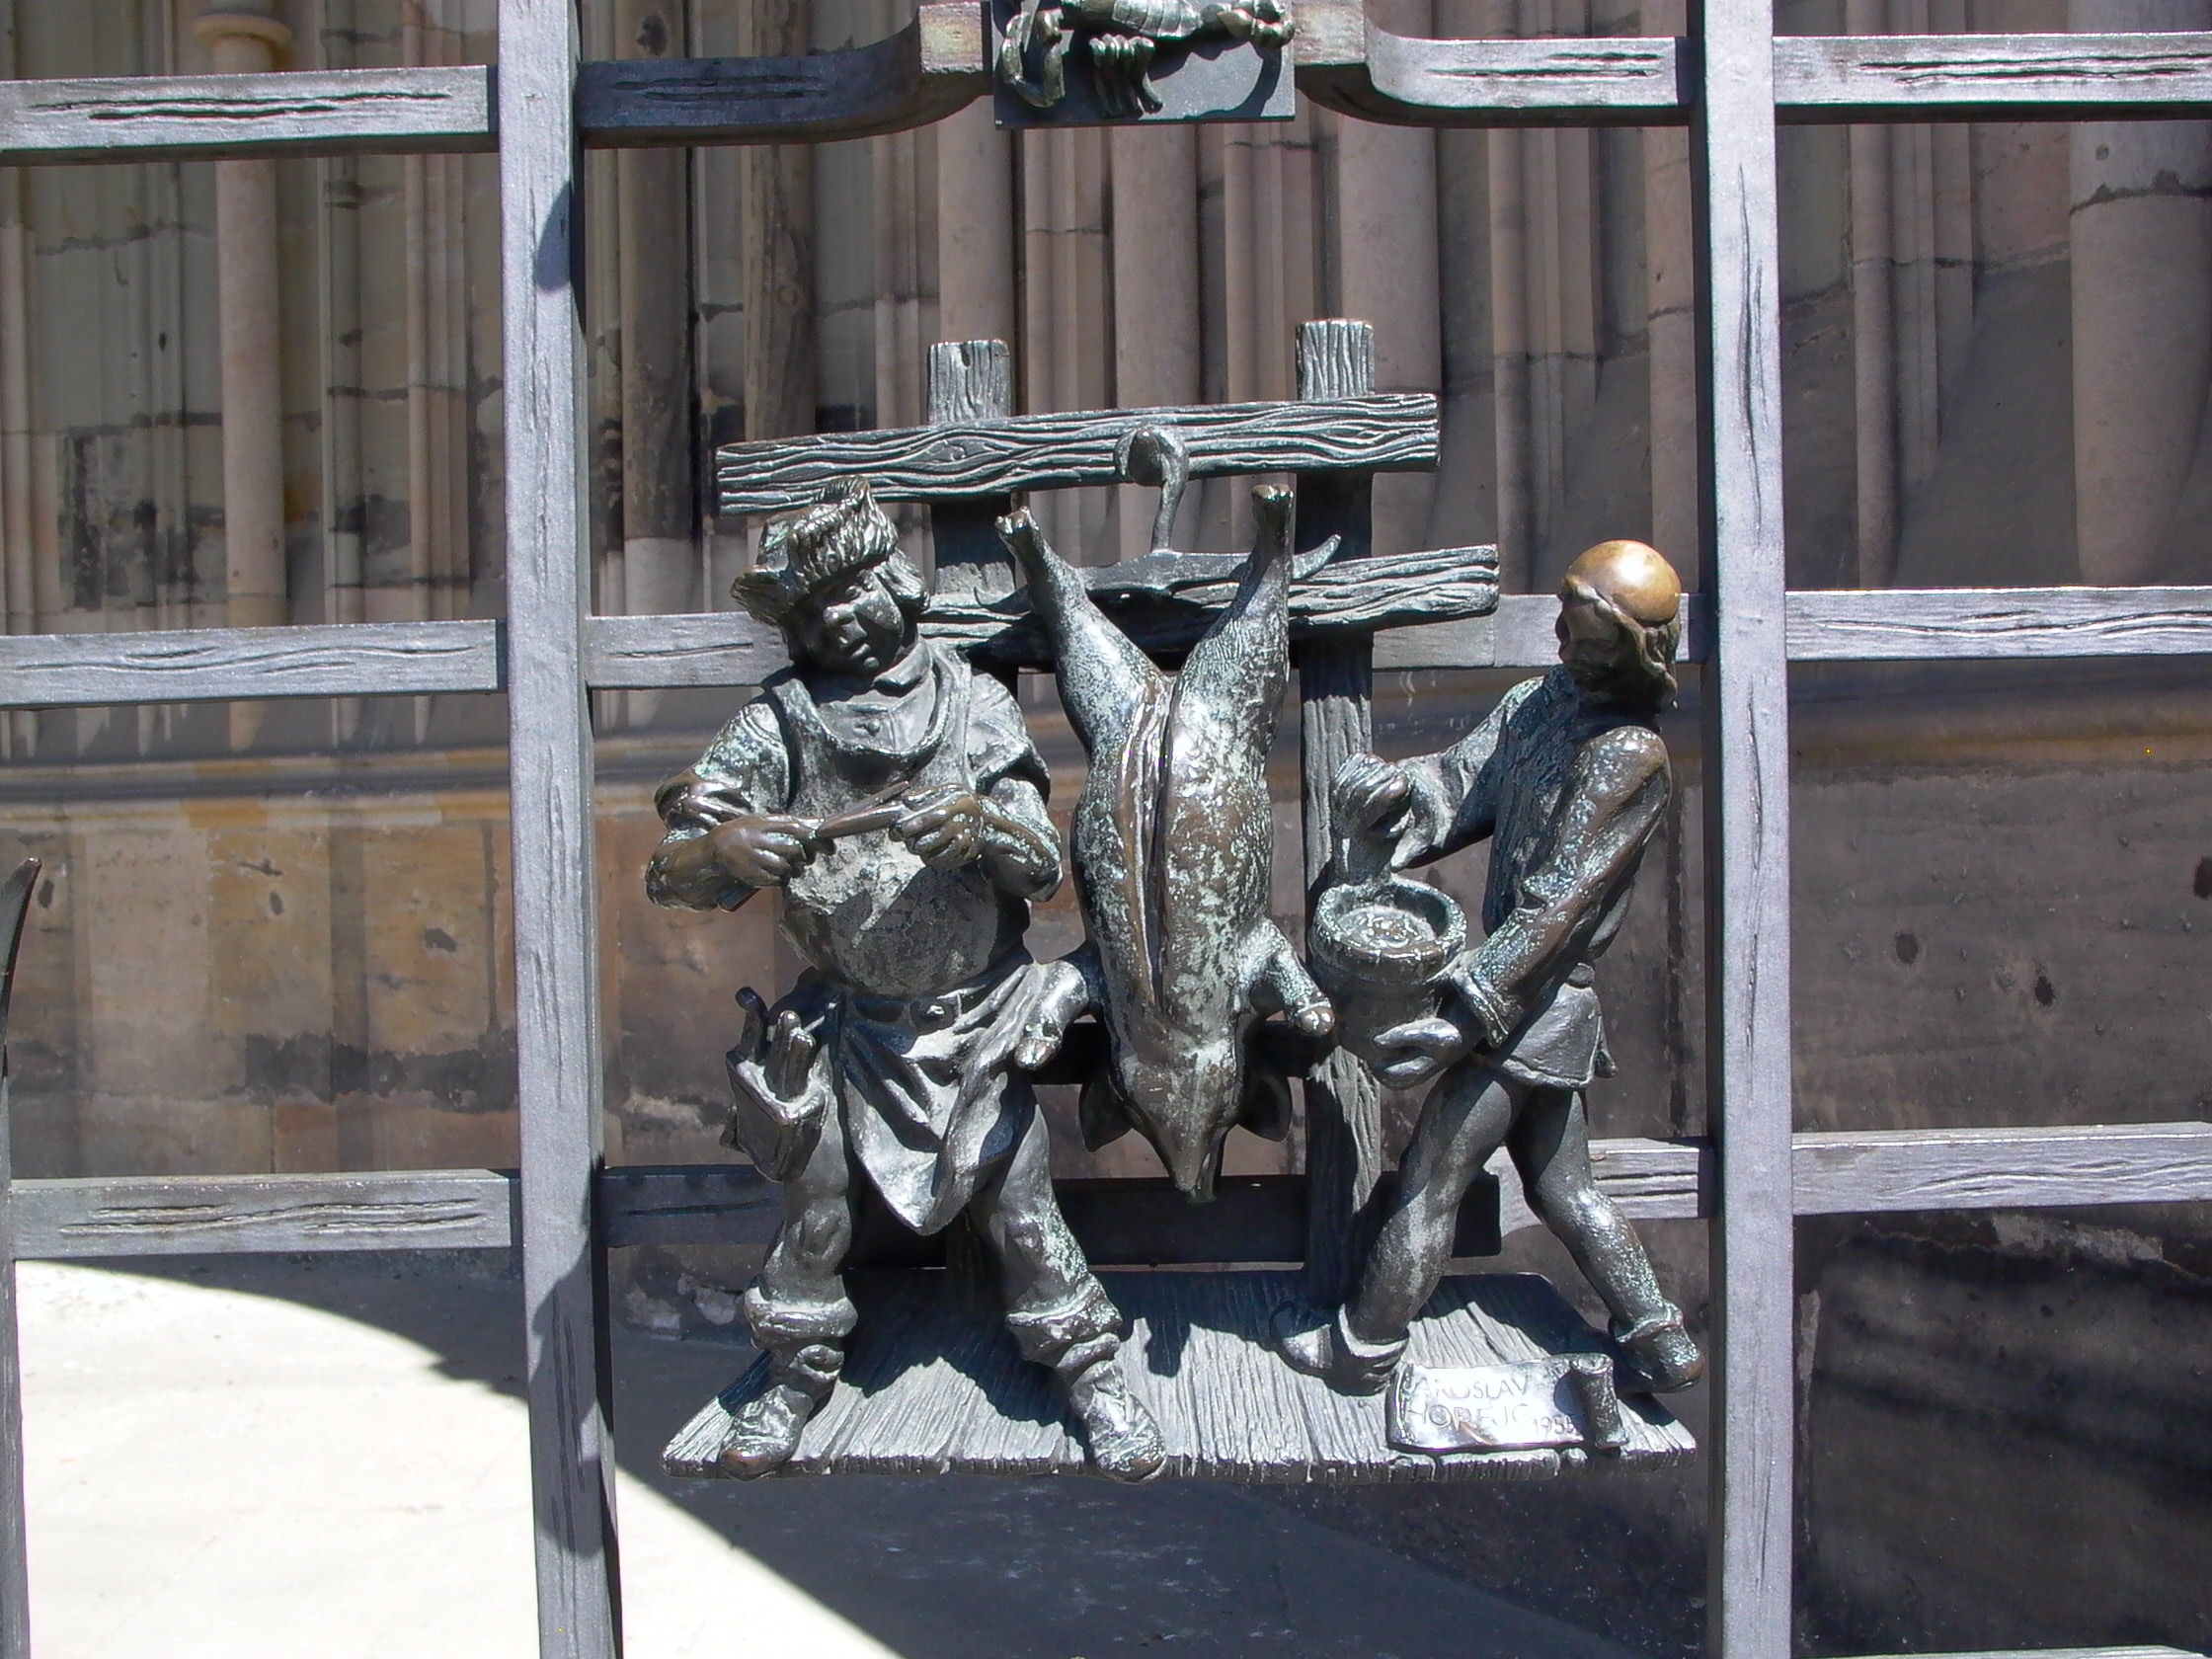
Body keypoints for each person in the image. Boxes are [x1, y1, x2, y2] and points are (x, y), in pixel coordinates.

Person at [647, 477, 1162, 1480]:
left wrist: (983, 828)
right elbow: (675, 863)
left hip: (978, 1019)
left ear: (895, 581)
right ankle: (792, 1376)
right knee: (816, 1209)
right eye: (807, 614)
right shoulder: (781, 720)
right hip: (844, 1025)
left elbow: (1041, 865)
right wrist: (721, 849)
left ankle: (1090, 1372)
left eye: (846, 594)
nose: (832, 625)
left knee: (1021, 1208)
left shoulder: (973, 703)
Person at [1274, 539, 1705, 1398]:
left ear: (1636, 654)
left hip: (1530, 1008)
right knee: (1565, 1188)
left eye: (1589, 644)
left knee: (1432, 1177)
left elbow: (1557, 905)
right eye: (1565, 629)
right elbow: (1456, 785)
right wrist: (1394, 797)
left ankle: (1364, 1349)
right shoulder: (1539, 704)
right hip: (1533, 1007)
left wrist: (1463, 1020)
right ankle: (1662, 1342)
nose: (1565, 649)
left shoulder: (1628, 757)